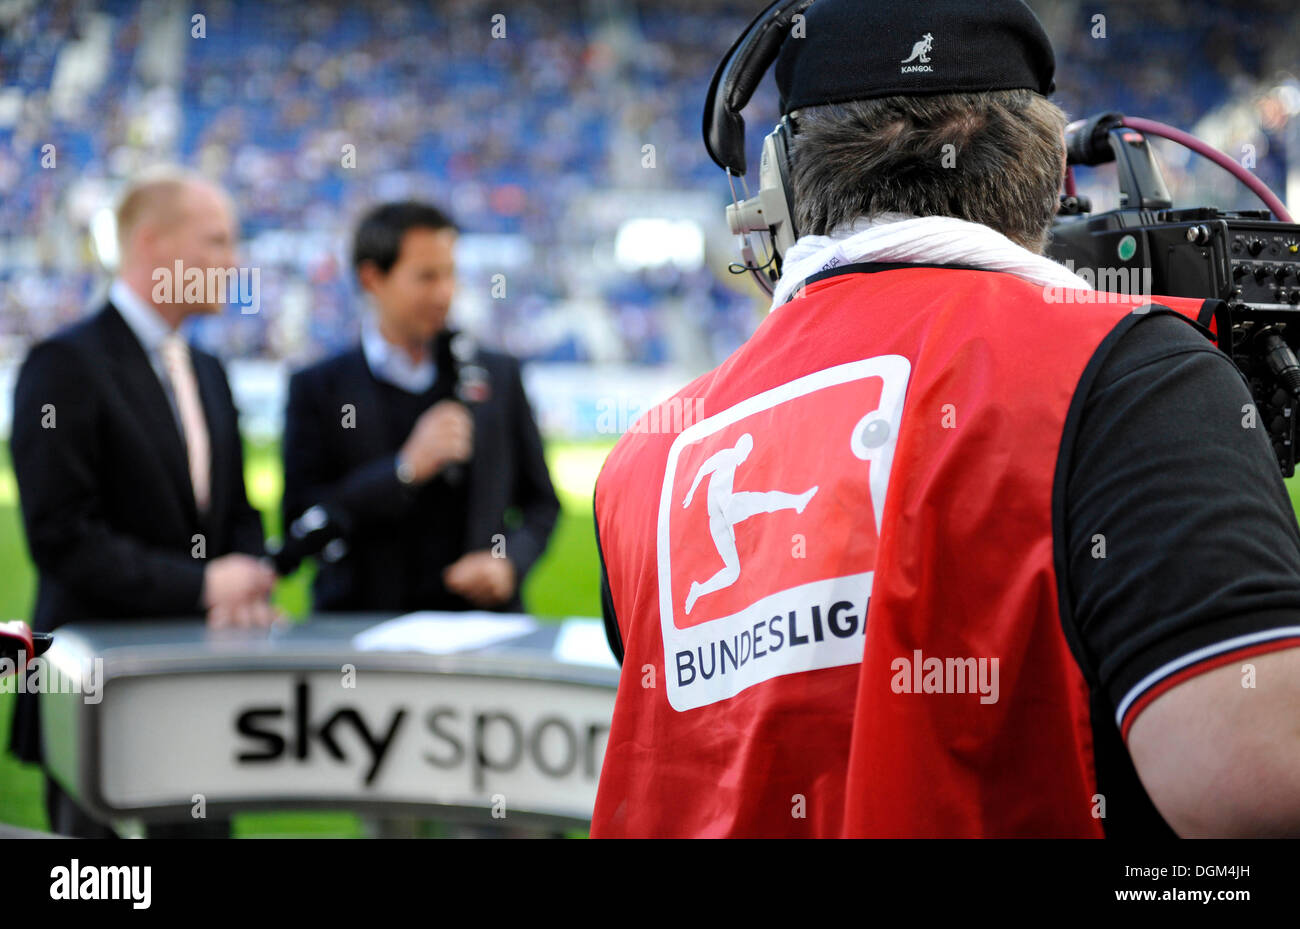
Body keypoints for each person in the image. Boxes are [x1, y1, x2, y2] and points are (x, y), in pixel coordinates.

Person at [591, 0, 1300, 838]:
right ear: (1044, 169)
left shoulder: (647, 455)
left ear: (783, 185)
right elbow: (1253, 784)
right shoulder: (1133, 376)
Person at [9, 168, 276, 838]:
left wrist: (246, 574)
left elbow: (235, 511)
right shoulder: (62, 363)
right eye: (217, 241)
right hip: (99, 697)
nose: (233, 261)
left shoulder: (208, 370)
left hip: (200, 692)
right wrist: (204, 582)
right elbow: (62, 536)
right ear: (154, 244)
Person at [282, 201, 559, 615]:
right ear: (372, 278)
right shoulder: (318, 388)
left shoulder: (497, 375)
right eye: (427, 277)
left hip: (479, 635)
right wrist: (404, 470)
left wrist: (508, 564)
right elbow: (301, 524)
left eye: (450, 274)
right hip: (361, 639)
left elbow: (542, 504)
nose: (445, 293)